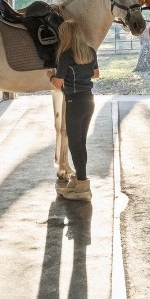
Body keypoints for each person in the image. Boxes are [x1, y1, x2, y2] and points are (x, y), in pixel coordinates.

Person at [48, 18, 100, 201]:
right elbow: (96, 74)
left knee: (74, 145)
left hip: (74, 102)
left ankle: (83, 187)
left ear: (66, 36)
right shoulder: (90, 52)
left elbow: (57, 83)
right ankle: (79, 181)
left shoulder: (66, 56)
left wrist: (50, 76)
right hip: (89, 100)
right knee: (81, 142)